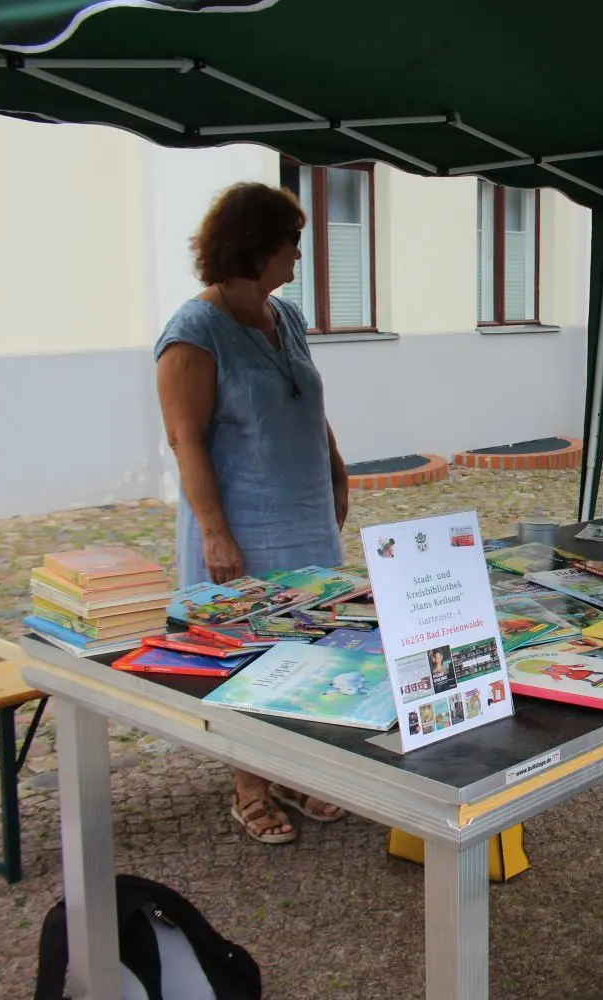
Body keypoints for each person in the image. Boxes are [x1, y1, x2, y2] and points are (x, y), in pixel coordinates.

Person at [155, 182, 349, 845]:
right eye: (292, 240)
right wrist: (215, 534)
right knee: (248, 654)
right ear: (255, 244)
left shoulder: (285, 316)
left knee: (310, 644)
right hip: (244, 527)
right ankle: (249, 786)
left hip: (305, 518)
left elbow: (309, 402)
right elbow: (184, 440)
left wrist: (336, 467)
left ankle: (294, 770)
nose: (299, 252)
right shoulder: (193, 331)